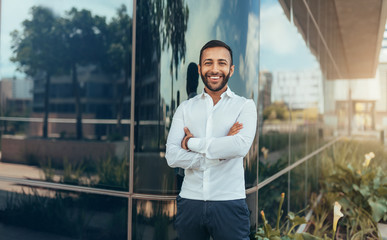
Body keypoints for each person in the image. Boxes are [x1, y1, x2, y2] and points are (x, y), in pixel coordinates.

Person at [166, 40, 257, 240]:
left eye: (221, 63)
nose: (214, 69)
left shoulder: (245, 106)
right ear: (200, 69)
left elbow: (239, 146)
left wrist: (190, 143)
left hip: (230, 203)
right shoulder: (185, 108)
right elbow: (172, 156)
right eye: (208, 63)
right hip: (190, 202)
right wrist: (217, 153)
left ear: (231, 69)